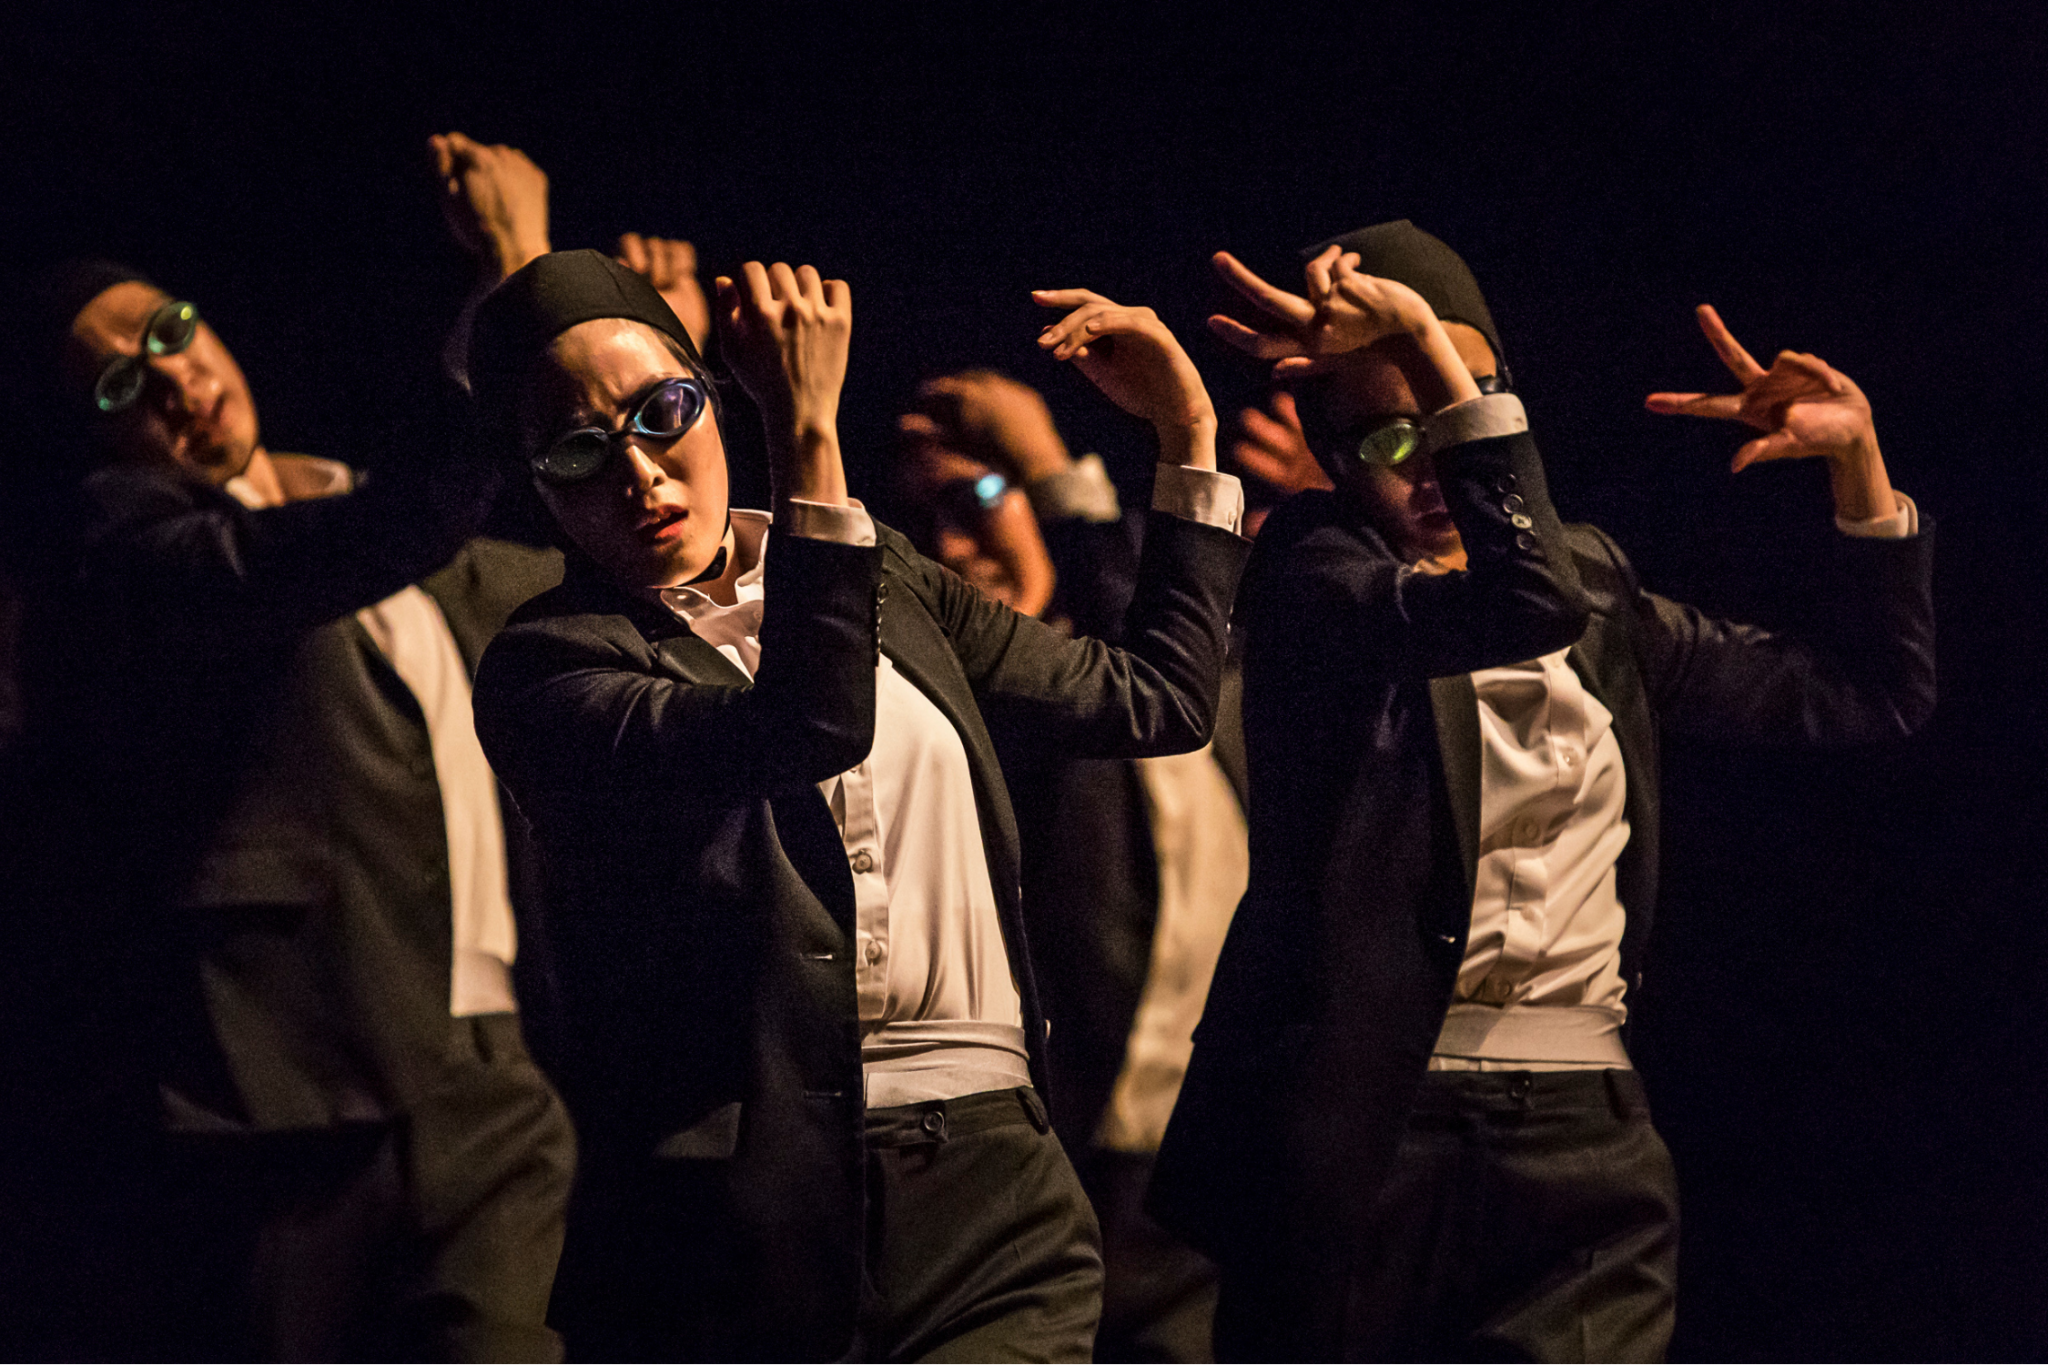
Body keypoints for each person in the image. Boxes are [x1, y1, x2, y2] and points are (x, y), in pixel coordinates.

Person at [1149, 221, 1936, 1361]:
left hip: (1586, 1133)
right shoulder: (1318, 575)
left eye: (1459, 404)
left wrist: (1857, 465)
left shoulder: (1597, 584)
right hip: (1374, 1130)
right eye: (1391, 436)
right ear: (1334, 457)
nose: (1430, 462)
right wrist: (1427, 345)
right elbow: (1521, 602)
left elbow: (1871, 692)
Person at [463, 249, 1250, 1361]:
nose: (639, 473)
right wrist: (807, 437)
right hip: (748, 1221)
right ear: (536, 480)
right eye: (578, 448)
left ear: (710, 393)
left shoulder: (886, 576)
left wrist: (1184, 433)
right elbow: (808, 725)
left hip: (994, 1180)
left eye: (663, 413)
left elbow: (1157, 700)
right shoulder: (547, 667)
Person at [2, 134, 576, 1362]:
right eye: (117, 385)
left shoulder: (342, 501)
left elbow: (577, 561)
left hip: (491, 1064)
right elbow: (385, 527)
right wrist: (518, 277)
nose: (172, 379)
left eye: (167, 331)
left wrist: (653, 385)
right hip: (298, 1087)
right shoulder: (134, 552)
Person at [897, 371, 1249, 1362]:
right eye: (919, 526)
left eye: (975, 498)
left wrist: (1048, 465)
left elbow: (1152, 635)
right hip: (1059, 1156)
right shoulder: (960, 717)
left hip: (1207, 1152)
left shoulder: (1184, 673)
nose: (952, 547)